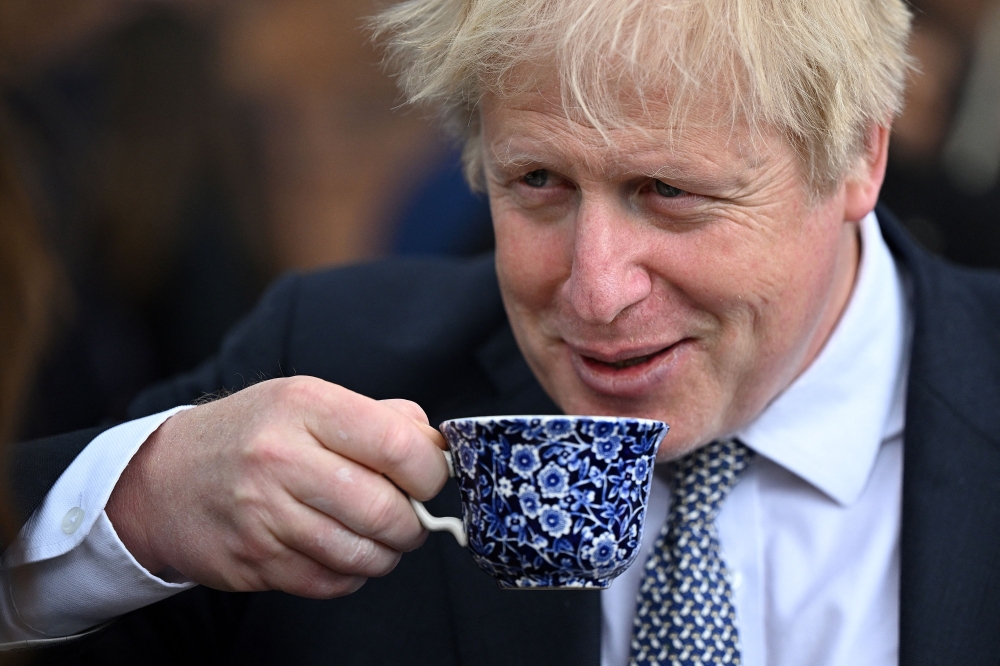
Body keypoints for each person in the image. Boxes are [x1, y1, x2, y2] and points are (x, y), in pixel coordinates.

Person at [2, 0, 998, 663]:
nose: (595, 291)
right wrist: (138, 506)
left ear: (858, 159)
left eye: (669, 192)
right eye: (538, 184)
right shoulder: (335, 361)